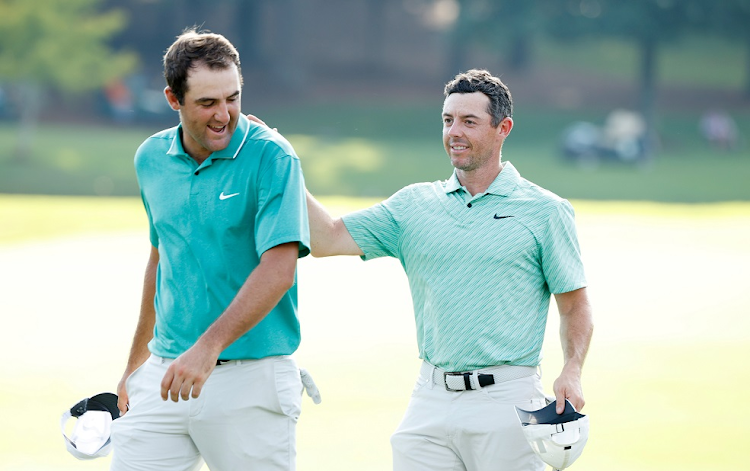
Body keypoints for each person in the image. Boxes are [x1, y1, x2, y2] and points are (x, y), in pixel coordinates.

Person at [305, 69, 594, 470]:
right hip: (429, 400)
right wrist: (283, 164)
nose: (454, 132)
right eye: (448, 120)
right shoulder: (412, 206)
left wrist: (572, 370)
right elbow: (326, 239)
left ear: (502, 128)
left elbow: (575, 305)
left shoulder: (545, 211)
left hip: (508, 404)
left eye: (469, 122)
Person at [111, 28, 313, 471]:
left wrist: (206, 349)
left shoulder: (273, 157)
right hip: (163, 376)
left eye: (233, 98)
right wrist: (134, 368)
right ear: (173, 99)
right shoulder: (150, 158)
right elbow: (161, 257)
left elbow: (279, 271)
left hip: (251, 381)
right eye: (207, 103)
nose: (225, 115)